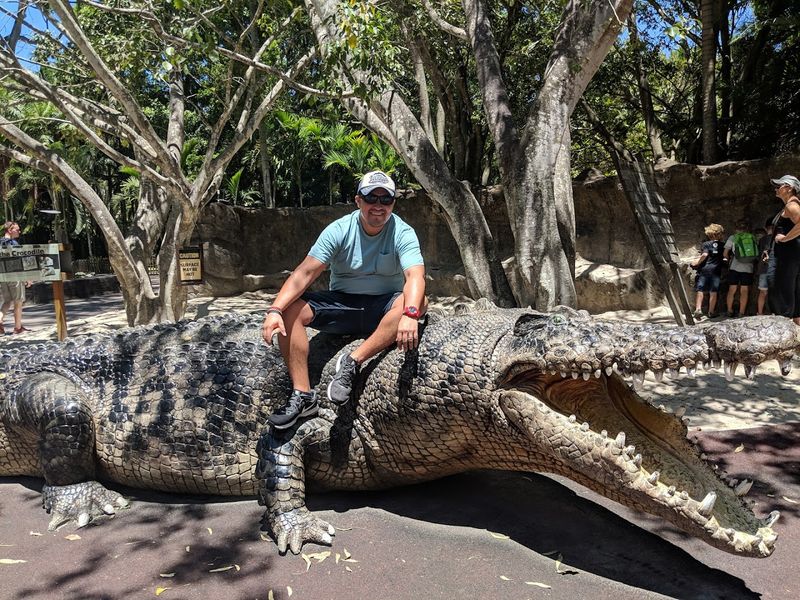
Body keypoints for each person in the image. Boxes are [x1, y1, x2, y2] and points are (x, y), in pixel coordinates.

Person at [261, 170, 427, 429]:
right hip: (342, 305)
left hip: (383, 309)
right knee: (291, 310)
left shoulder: (402, 232)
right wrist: (275, 309)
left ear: (393, 204)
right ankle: (303, 396)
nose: (378, 206)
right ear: (358, 200)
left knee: (420, 302)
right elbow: (304, 273)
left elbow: (415, 275)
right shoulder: (339, 230)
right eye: (372, 198)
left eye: (386, 200)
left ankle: (352, 361)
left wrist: (411, 313)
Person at [768, 175, 800, 325]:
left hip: (787, 255)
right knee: (792, 287)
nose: (776, 188)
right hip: (789, 254)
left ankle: (784, 326)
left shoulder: (792, 205)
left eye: (779, 185)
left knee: (780, 286)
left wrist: (785, 238)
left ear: (790, 188)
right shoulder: (790, 205)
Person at [0, 221, 32, 335]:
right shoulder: (13, 243)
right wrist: (26, 277)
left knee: (7, 301)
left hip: (3, 276)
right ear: (10, 230)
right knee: (18, 302)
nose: (19, 231)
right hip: (15, 276)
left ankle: (0, 321)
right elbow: (19, 261)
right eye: (17, 230)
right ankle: (18, 328)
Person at [690, 223, 725, 319]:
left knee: (700, 289)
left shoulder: (706, 244)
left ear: (709, 234)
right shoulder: (723, 245)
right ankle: (711, 312)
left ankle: (698, 309)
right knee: (713, 291)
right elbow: (725, 257)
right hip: (716, 271)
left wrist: (697, 262)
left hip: (705, 270)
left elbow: (705, 255)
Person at [723, 220, 757, 317]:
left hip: (735, 267)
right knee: (744, 290)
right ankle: (741, 313)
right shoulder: (752, 237)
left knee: (732, 289)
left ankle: (729, 310)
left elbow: (725, 253)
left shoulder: (733, 237)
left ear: (736, 228)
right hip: (748, 268)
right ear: (747, 228)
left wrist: (727, 260)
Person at [756, 220, 774, 315]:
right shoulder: (777, 238)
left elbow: (759, 254)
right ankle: (775, 313)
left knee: (762, 292)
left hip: (763, 269)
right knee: (774, 292)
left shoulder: (762, 240)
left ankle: (760, 312)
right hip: (774, 269)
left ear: (765, 228)